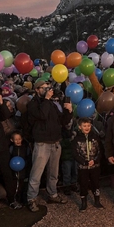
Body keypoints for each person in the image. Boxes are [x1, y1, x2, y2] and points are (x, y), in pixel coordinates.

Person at [25, 81, 72, 212]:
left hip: (55, 143)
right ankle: (31, 198)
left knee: (54, 173)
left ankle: (52, 194)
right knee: (36, 174)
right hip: (42, 144)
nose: (47, 90)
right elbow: (42, 115)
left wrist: (69, 111)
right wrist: (46, 99)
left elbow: (63, 121)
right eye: (44, 88)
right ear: (37, 90)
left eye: (48, 88)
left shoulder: (51, 103)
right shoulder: (33, 104)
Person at [72, 118, 103, 211]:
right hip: (83, 167)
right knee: (83, 184)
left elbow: (100, 150)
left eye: (89, 126)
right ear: (80, 127)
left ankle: (97, 201)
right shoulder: (77, 139)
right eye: (84, 126)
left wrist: (96, 160)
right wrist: (84, 162)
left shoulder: (95, 137)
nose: (87, 128)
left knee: (96, 183)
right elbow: (75, 153)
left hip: (95, 166)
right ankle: (84, 203)